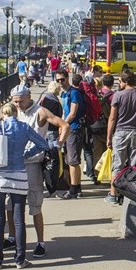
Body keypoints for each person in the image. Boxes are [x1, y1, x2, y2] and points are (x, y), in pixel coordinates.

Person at [0, 103, 51, 269]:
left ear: (3, 114)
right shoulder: (24, 127)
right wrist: (26, 154)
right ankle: (20, 259)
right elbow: (43, 145)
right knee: (19, 220)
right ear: (16, 113)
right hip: (19, 176)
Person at [9, 84, 69, 257]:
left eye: (21, 101)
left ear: (28, 96)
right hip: (14, 163)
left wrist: (58, 145)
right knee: (9, 204)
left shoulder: (40, 111)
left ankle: (40, 242)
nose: (18, 105)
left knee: (35, 204)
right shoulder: (14, 110)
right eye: (15, 101)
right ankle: (12, 237)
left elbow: (64, 125)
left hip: (32, 164)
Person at [105, 70, 136, 204]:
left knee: (117, 164)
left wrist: (109, 137)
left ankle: (113, 194)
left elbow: (112, 118)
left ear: (125, 82)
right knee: (134, 165)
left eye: (120, 81)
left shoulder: (118, 96)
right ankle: (131, 194)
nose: (119, 83)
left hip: (120, 133)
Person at [56, 69, 85, 199]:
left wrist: (63, 125)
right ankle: (77, 187)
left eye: (62, 79)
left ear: (67, 78)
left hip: (74, 128)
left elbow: (73, 113)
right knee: (71, 159)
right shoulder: (64, 94)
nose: (60, 82)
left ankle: (73, 190)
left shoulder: (74, 93)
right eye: (58, 80)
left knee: (72, 160)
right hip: (69, 128)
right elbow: (65, 112)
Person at [38, 80, 64, 197]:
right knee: (53, 158)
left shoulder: (43, 99)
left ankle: (42, 181)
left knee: (43, 157)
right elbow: (58, 119)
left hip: (42, 131)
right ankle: (52, 183)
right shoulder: (56, 102)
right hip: (52, 131)